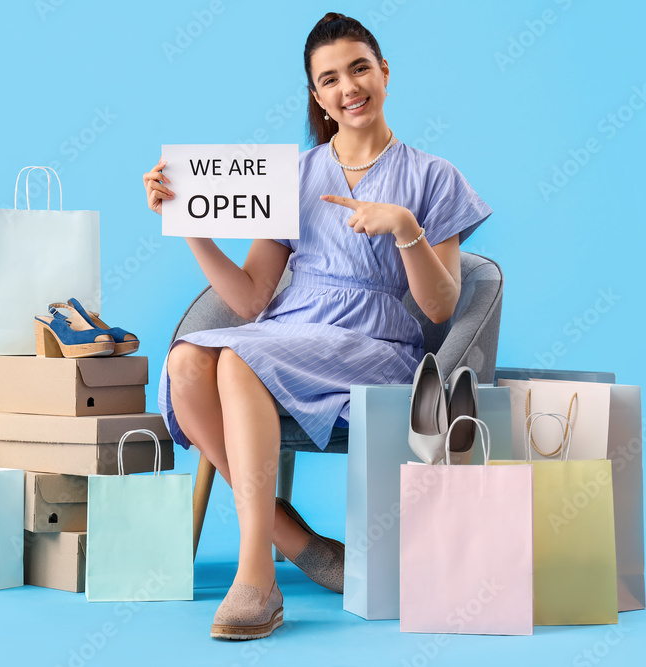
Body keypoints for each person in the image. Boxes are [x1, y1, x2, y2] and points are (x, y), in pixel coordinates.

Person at [143, 12, 492, 640]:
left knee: (238, 359)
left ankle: (257, 578)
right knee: (189, 362)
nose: (348, 87)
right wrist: (188, 225)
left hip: (373, 343)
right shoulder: (295, 176)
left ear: (384, 72)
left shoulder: (434, 176)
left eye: (360, 68)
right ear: (316, 95)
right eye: (329, 78)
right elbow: (251, 301)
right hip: (286, 329)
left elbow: (441, 307)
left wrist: (407, 231)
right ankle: (291, 537)